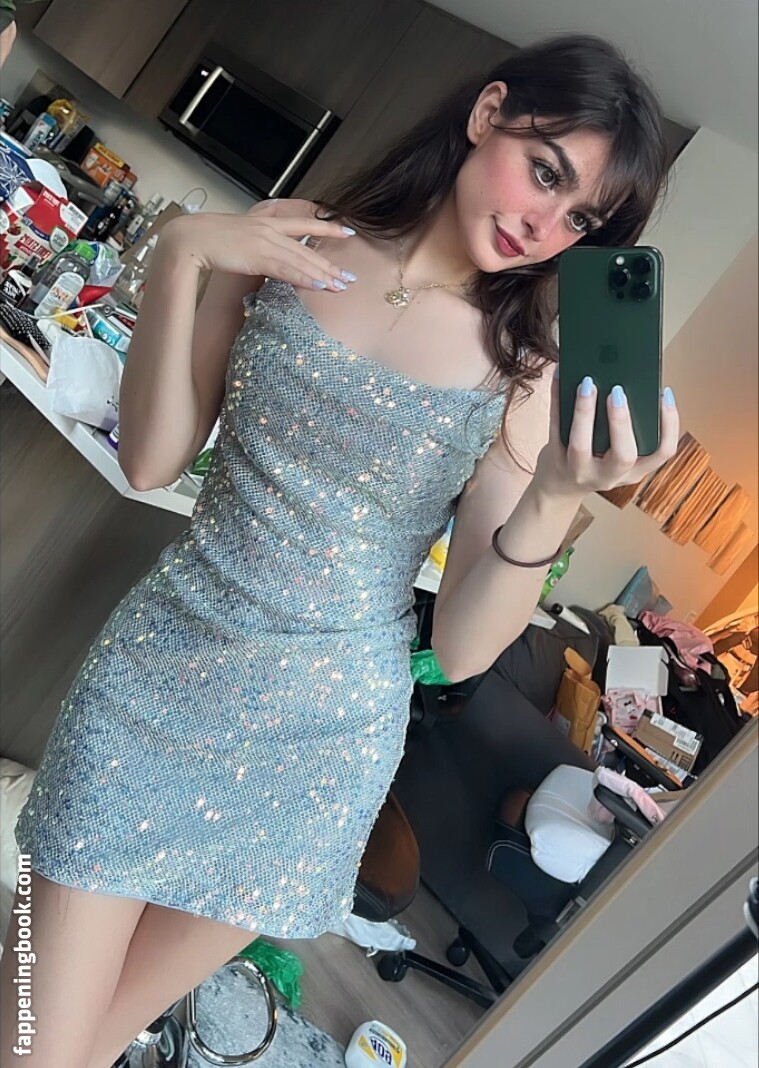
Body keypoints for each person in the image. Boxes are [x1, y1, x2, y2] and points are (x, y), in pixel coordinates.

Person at [0, 33, 679, 1068]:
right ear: (487, 113)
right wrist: (185, 254)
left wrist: (552, 495)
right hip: (156, 679)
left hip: (318, 747)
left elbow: (459, 649)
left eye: (581, 219)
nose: (545, 225)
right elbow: (151, 460)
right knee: (35, 1037)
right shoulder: (293, 239)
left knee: (86, 1046)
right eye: (545, 172)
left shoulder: (522, 376)